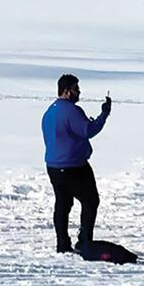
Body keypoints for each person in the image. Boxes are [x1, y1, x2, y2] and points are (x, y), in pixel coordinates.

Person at [42, 73, 113, 254]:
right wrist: (104, 113)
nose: (79, 92)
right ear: (66, 92)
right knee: (91, 201)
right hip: (74, 167)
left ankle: (62, 244)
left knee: (63, 203)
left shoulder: (49, 112)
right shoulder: (71, 111)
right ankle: (84, 242)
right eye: (76, 89)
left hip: (53, 167)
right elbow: (88, 130)